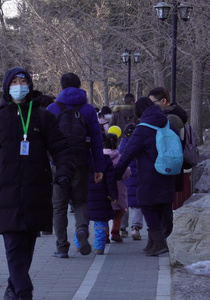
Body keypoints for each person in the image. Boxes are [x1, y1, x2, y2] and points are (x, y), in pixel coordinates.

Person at [0, 67, 75, 300]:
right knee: (13, 244)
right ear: (6, 87)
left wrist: (63, 172)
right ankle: (23, 291)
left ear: (30, 85)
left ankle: (13, 285)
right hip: (6, 193)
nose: (19, 85)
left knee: (27, 245)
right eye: (14, 81)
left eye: (23, 81)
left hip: (36, 191)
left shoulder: (43, 117)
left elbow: (61, 149)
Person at [46, 72, 105, 258]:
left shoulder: (52, 108)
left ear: (61, 87)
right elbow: (97, 139)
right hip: (81, 162)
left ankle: (62, 247)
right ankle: (81, 230)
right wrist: (99, 167)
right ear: (79, 86)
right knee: (80, 201)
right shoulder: (88, 109)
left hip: (58, 163)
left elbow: (43, 139)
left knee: (59, 205)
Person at [114, 97, 176, 256]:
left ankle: (159, 243)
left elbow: (127, 154)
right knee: (161, 206)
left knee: (147, 205)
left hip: (150, 174)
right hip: (169, 172)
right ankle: (153, 243)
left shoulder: (143, 129)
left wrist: (115, 174)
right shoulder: (168, 124)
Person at [148, 87, 187, 238]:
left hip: (169, 166)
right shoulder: (173, 117)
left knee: (165, 206)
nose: (151, 106)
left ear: (163, 101)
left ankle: (166, 237)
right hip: (170, 165)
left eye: (153, 103)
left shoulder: (171, 119)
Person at [109, 94, 138, 237]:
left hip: (118, 145)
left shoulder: (116, 113)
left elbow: (111, 128)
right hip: (133, 143)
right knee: (130, 199)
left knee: (121, 197)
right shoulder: (137, 113)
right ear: (133, 102)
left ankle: (121, 228)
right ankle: (134, 227)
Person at [87, 140, 118, 255]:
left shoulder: (81, 158)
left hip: (84, 196)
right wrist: (114, 196)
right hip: (102, 196)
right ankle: (99, 247)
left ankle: (79, 243)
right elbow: (111, 181)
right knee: (100, 223)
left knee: (82, 222)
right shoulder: (105, 160)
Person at [118, 123, 144, 240]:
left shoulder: (121, 147)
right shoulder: (140, 145)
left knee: (123, 205)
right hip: (138, 179)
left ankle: (122, 228)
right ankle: (135, 228)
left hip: (124, 180)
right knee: (137, 205)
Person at [103, 133, 130, 243]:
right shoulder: (119, 157)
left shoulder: (101, 157)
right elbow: (126, 172)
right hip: (118, 188)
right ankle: (115, 232)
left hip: (103, 189)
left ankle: (105, 235)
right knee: (118, 213)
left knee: (104, 214)